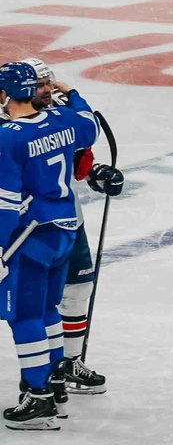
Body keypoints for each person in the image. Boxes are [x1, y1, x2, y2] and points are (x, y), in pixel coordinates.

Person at [0, 59, 103, 429]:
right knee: (46, 311)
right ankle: (57, 386)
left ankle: (39, 396)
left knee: (24, 316)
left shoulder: (9, 136)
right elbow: (90, 124)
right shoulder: (63, 119)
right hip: (65, 231)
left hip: (29, 236)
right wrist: (72, 94)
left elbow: (6, 202)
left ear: (4, 94)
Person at [19, 61, 116, 400]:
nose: (48, 89)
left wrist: (97, 174)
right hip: (22, 226)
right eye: (40, 84)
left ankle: (67, 363)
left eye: (49, 82)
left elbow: (76, 163)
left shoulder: (59, 116)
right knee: (28, 305)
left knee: (77, 288)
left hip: (64, 218)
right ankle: (38, 378)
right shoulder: (9, 126)